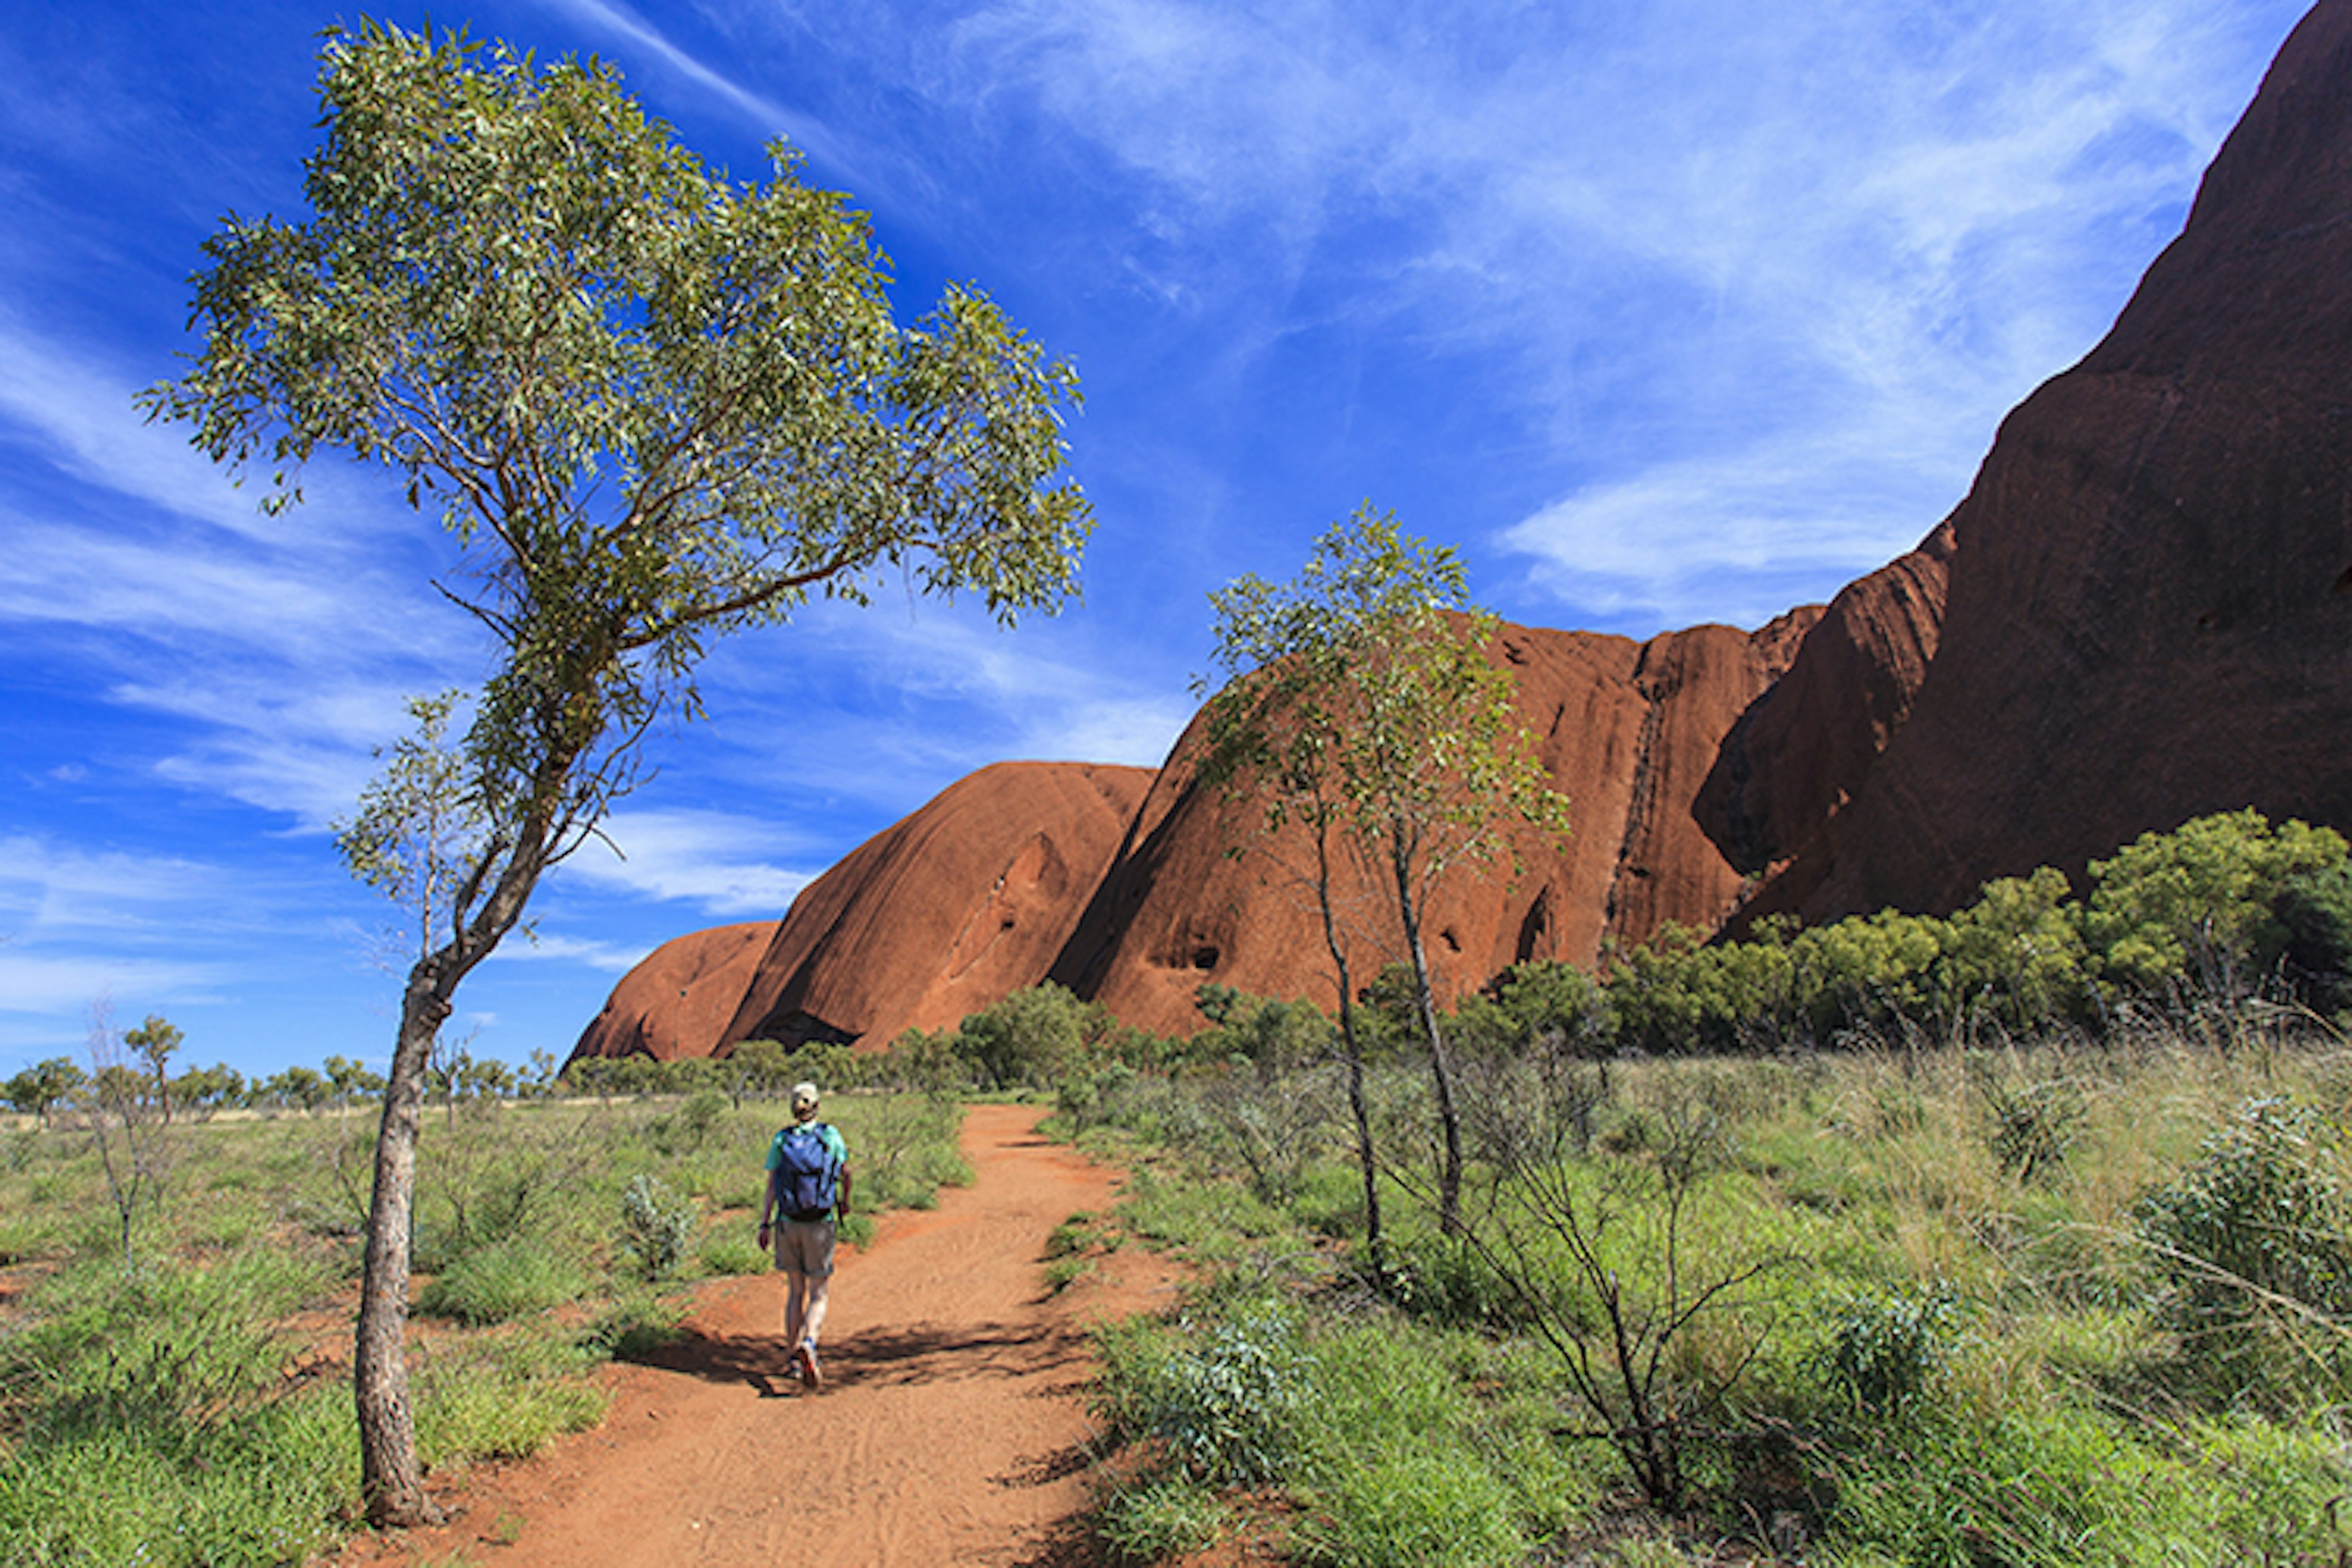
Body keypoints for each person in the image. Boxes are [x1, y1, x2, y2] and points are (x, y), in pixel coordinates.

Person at [757, 1081, 851, 1389]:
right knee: (819, 1292)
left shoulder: (782, 1140)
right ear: (817, 1106)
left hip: (787, 1222)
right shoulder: (829, 1136)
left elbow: (772, 1185)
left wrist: (764, 1224)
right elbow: (846, 1172)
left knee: (795, 1292)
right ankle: (810, 1342)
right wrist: (844, 1202)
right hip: (820, 1222)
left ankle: (793, 1360)